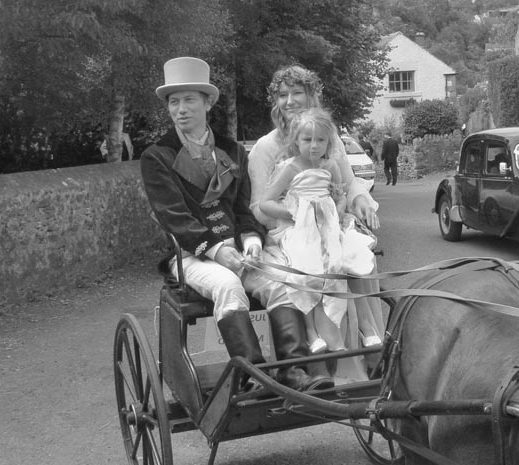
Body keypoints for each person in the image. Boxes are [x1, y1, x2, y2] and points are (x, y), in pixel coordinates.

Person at [140, 57, 332, 393]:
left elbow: (244, 210)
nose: (181, 110)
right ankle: (253, 375)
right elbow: (174, 217)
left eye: (189, 100)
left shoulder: (233, 152)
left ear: (208, 103)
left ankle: (295, 371)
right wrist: (218, 251)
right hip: (191, 255)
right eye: (174, 102)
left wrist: (253, 241)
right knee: (228, 285)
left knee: (283, 281)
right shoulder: (157, 157)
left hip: (239, 248)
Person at [245, 64, 386, 384]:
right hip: (287, 231)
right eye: (283, 95)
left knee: (355, 253)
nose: (290, 101)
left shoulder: (328, 136)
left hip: (329, 223)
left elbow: (347, 184)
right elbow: (259, 207)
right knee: (311, 264)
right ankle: (318, 355)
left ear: (312, 97)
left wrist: (359, 201)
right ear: (275, 102)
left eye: (298, 93)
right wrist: (298, 213)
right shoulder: (266, 148)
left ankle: (369, 344)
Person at [259, 108, 378, 355]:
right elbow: (265, 203)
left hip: (328, 227)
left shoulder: (331, 165)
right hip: (301, 230)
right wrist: (296, 212)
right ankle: (312, 333)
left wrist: (336, 208)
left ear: (329, 142)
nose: (314, 146)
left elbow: (340, 195)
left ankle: (367, 328)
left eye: (320, 140)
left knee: (352, 261)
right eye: (307, 140)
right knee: (305, 270)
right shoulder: (290, 168)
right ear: (295, 140)